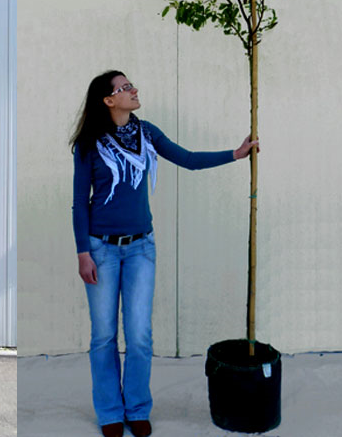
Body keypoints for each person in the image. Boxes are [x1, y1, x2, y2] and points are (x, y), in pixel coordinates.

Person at [71, 70, 257, 437]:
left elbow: (187, 158)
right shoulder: (89, 144)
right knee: (104, 337)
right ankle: (110, 412)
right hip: (101, 250)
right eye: (124, 88)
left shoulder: (147, 132)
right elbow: (79, 203)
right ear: (108, 100)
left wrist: (234, 155)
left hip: (141, 248)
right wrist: (82, 253)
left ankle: (137, 407)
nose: (133, 89)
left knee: (139, 335)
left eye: (131, 85)